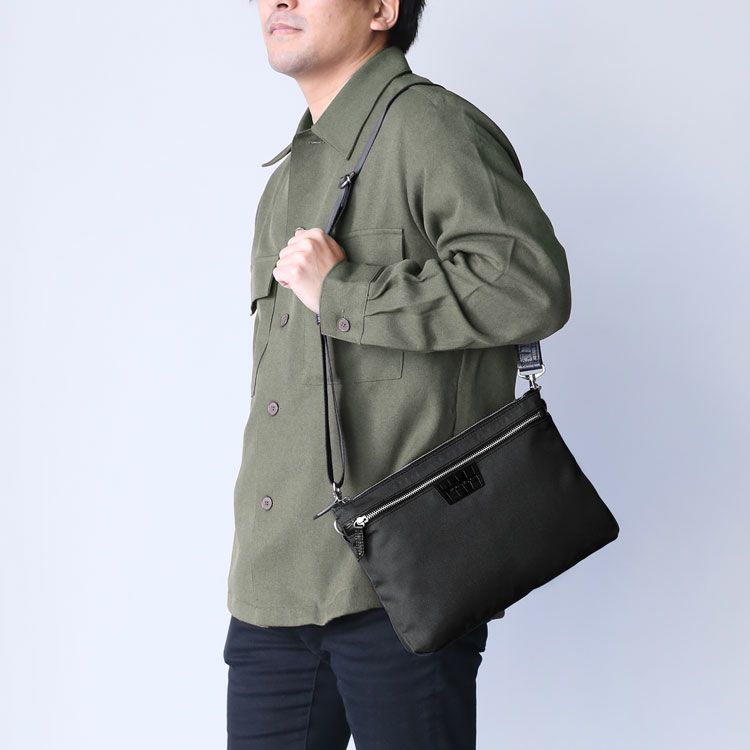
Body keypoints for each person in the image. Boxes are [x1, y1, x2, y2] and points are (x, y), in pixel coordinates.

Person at [223, 1, 572, 747]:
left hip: (403, 582)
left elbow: (529, 287)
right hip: (273, 590)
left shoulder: (430, 127)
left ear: (382, 8)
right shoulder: (288, 178)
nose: (278, 1)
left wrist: (343, 293)